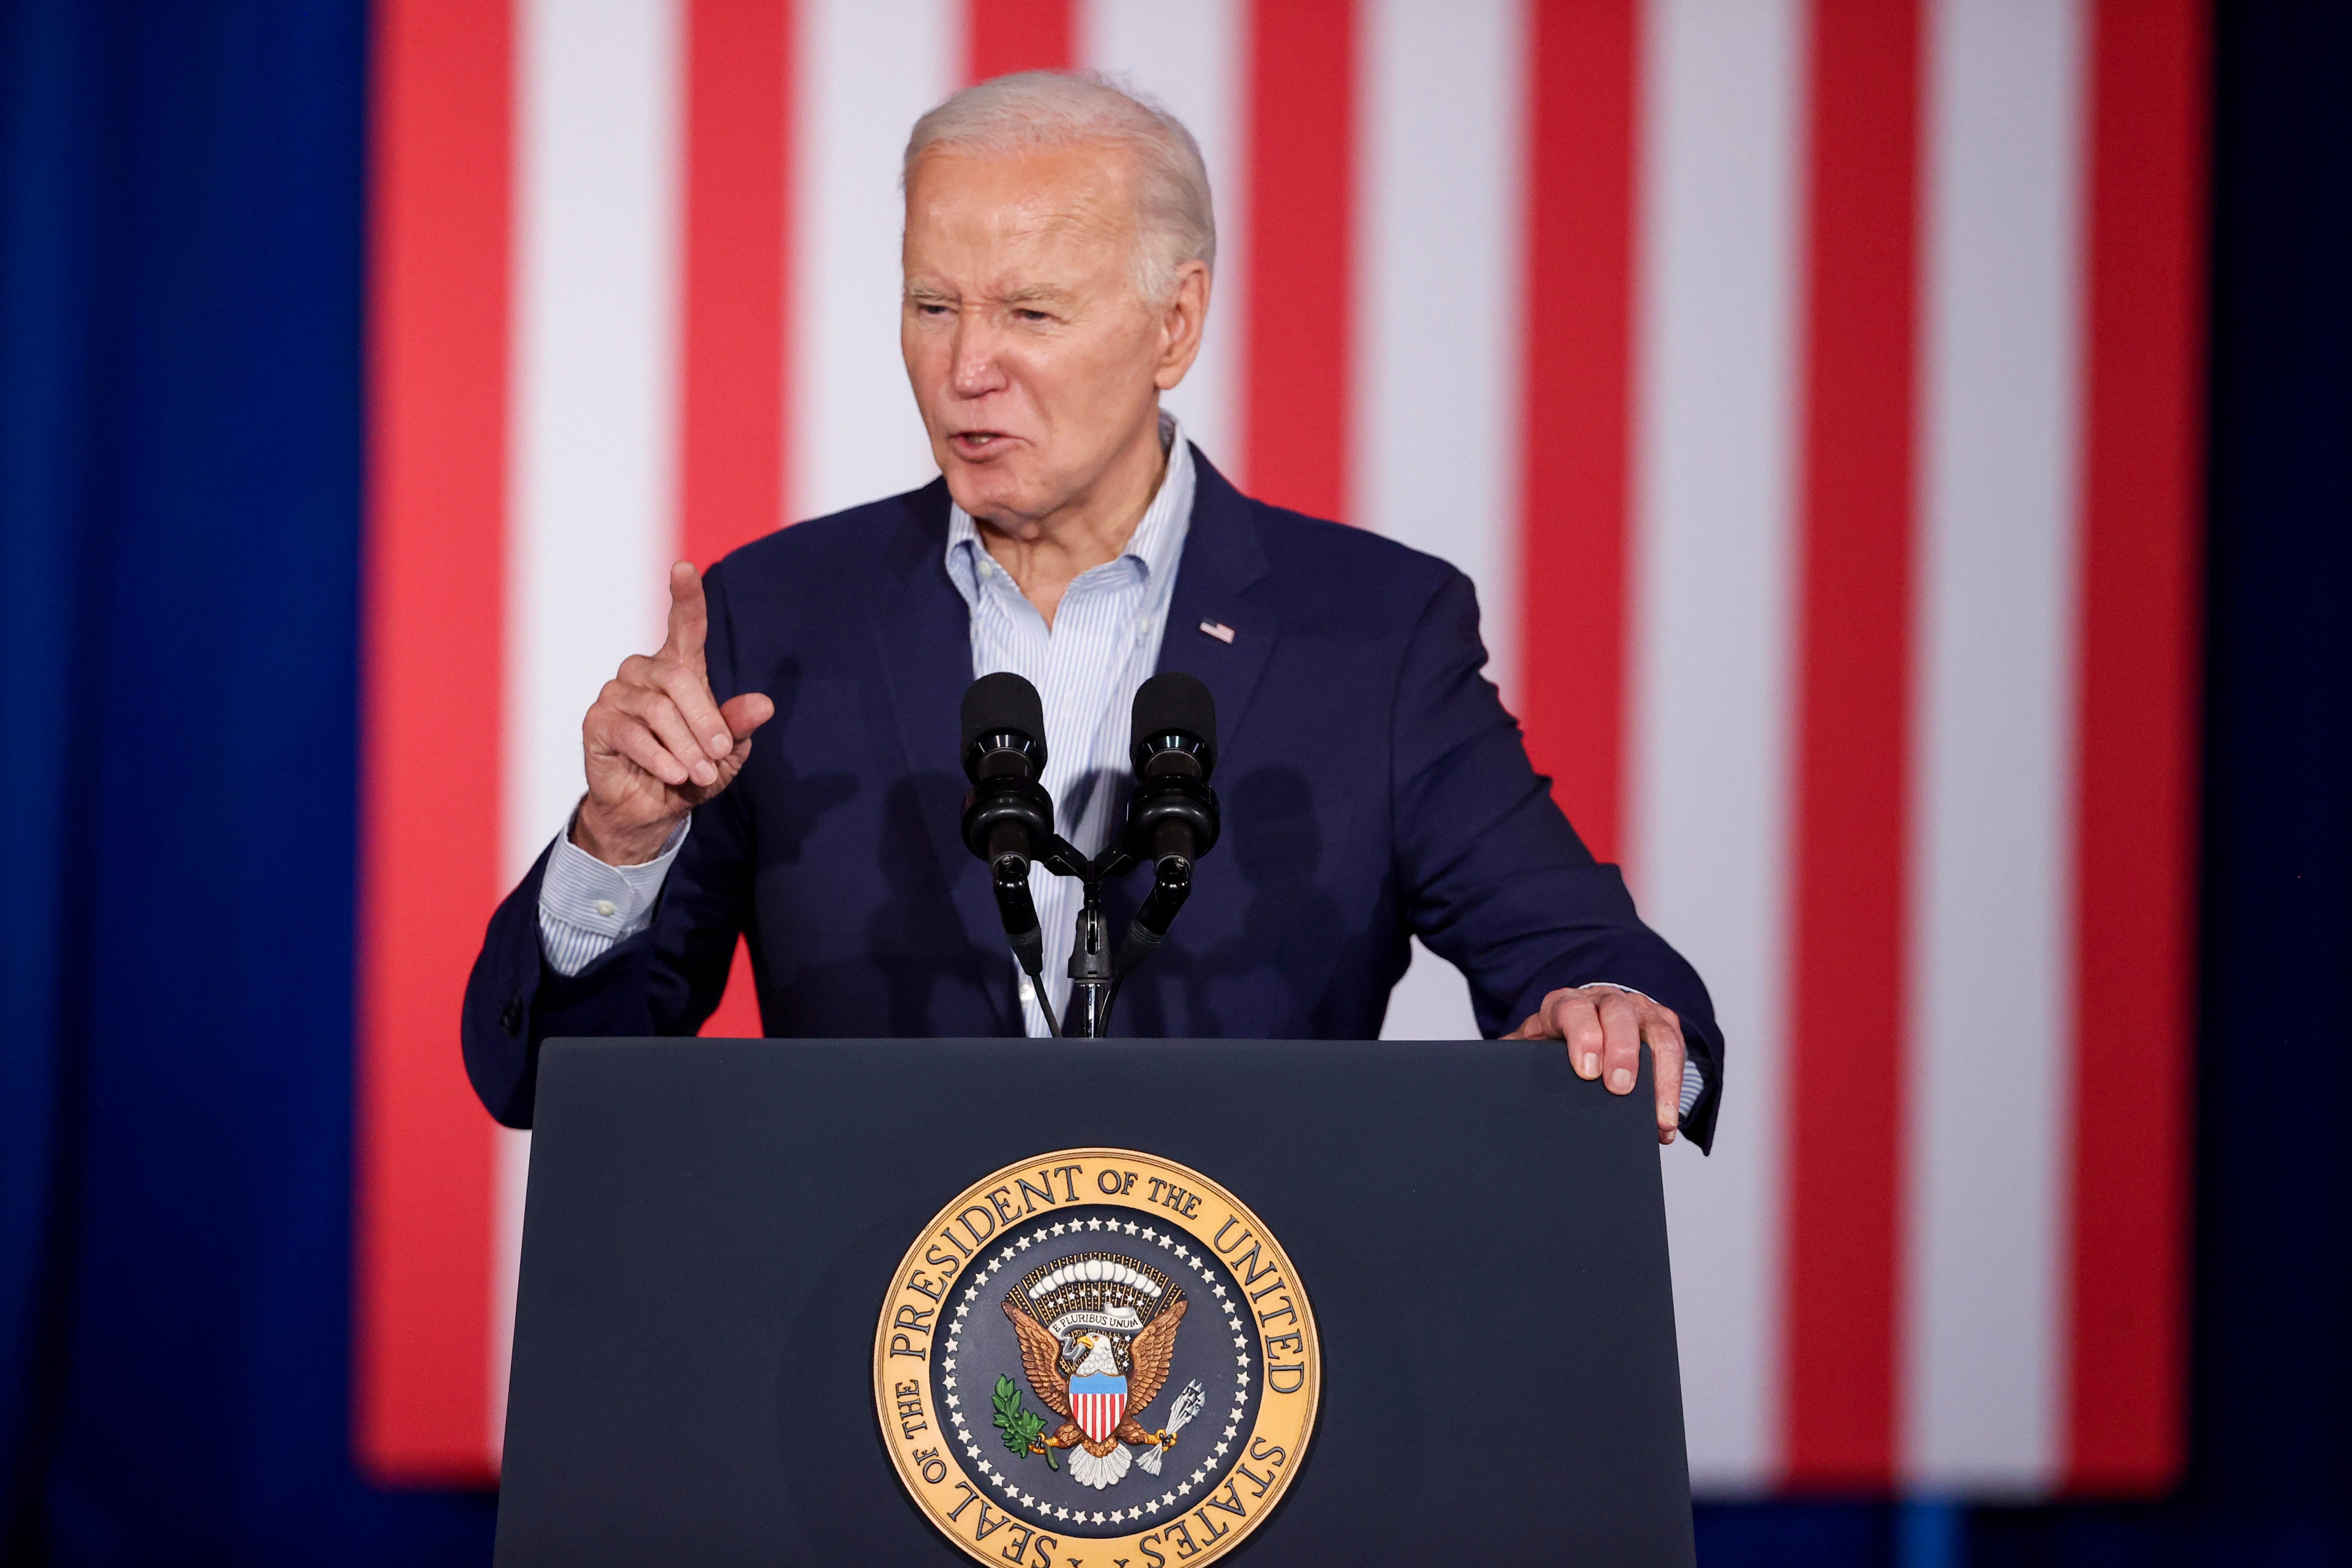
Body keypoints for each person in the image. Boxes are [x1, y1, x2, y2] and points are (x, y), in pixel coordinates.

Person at [462, 70, 1722, 1151]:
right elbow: (553, 1083)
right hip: (878, 1330)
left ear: (1175, 324)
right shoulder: (781, 616)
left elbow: (1586, 959)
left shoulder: (1374, 636)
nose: (967, 369)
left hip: (1250, 1328)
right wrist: (615, 848)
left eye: (1031, 313)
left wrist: (1609, 1014)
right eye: (934, 305)